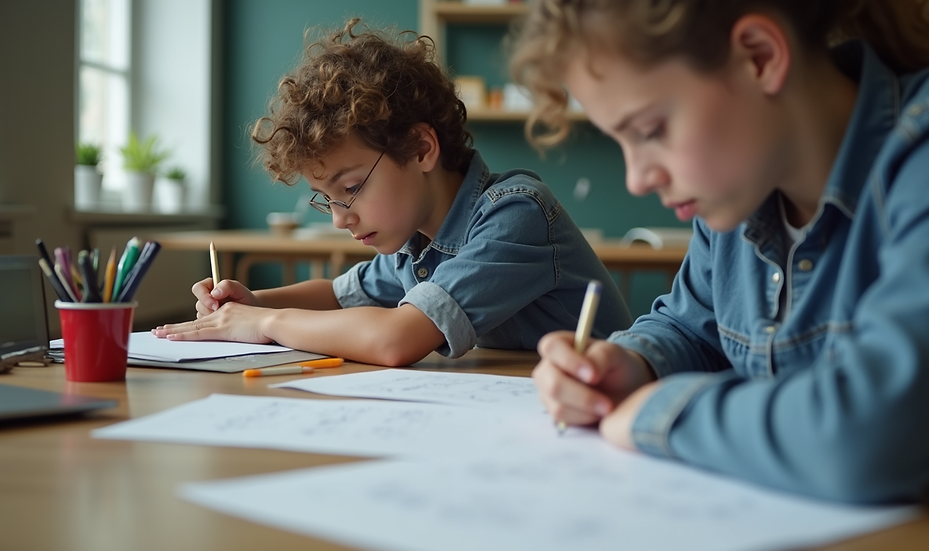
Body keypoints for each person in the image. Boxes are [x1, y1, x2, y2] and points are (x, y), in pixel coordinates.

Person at [512, 0, 929, 503]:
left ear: (759, 57)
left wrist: (656, 413)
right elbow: (689, 327)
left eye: (650, 131)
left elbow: (872, 438)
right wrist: (627, 364)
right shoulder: (740, 191)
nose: (637, 178)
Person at [152, 19, 633, 367]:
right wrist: (253, 302)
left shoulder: (516, 215)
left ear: (421, 148)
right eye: (328, 199)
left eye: (352, 188)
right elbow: (342, 298)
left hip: (597, 412)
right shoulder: (416, 239)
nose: (341, 219)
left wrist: (264, 325)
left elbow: (395, 340)